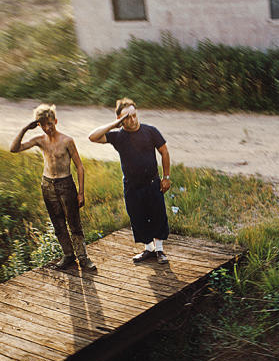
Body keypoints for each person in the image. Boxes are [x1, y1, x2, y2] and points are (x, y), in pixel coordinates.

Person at [10, 103, 96, 271]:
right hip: (48, 185)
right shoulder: (39, 140)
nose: (47, 128)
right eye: (43, 125)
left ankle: (83, 258)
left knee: (74, 223)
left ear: (56, 121)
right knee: (58, 223)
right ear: (39, 125)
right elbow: (14, 149)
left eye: (50, 123)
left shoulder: (67, 141)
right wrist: (25, 129)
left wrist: (81, 192)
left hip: (66, 184)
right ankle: (68, 255)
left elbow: (79, 166)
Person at [88, 98, 171, 264]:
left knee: (158, 215)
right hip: (132, 186)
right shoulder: (118, 136)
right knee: (137, 217)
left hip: (152, 183)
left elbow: (164, 152)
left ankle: (160, 250)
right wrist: (114, 124)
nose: (132, 120)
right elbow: (92, 137)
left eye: (134, 115)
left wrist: (166, 177)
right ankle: (148, 249)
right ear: (120, 119)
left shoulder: (150, 131)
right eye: (127, 117)